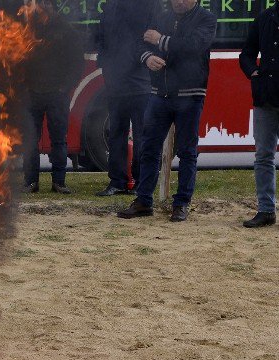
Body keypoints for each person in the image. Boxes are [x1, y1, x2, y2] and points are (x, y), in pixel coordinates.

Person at [118, 0, 216, 222]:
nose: (178, 2)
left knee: (187, 152)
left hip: (190, 95)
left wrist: (160, 40)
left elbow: (193, 46)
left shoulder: (206, 19)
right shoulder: (161, 16)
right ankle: (144, 200)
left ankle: (181, 203)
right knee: (148, 149)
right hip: (158, 94)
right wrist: (147, 57)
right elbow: (139, 43)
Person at [95, 0, 162, 196]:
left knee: (142, 135)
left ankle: (141, 181)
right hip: (116, 82)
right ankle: (117, 181)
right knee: (116, 133)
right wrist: (105, 64)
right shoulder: (108, 7)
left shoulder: (149, 5)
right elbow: (102, 38)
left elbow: (150, 38)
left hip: (140, 81)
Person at [22, 0, 84, 194]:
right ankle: (31, 182)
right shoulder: (28, 29)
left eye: (47, 3)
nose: (43, 7)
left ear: (53, 5)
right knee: (30, 140)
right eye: (40, 3)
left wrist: (64, 88)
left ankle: (59, 182)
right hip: (33, 94)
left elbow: (77, 63)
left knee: (59, 140)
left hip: (57, 95)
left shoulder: (66, 30)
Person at [239, 4, 279, 228]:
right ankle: (266, 210)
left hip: (267, 97)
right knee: (263, 156)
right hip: (265, 99)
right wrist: (253, 72)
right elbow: (246, 54)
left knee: (264, 157)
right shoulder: (264, 18)